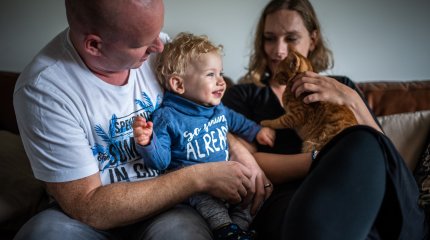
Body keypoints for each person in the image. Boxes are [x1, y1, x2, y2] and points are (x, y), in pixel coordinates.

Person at [12, 1, 272, 239]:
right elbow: (87, 205)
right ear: (94, 45)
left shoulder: (159, 52)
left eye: (158, 33)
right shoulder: (44, 89)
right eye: (142, 43)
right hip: (86, 219)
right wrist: (199, 177)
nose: (159, 46)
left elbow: (199, 111)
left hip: (171, 208)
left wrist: (237, 148)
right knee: (42, 233)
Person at [222, 0, 429, 239]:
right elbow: (249, 162)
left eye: (291, 38)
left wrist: (351, 99)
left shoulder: (342, 87)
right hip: (291, 196)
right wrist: (324, 159)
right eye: (270, 38)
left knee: (363, 141)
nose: (278, 50)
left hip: (356, 188)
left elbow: (383, 156)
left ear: (313, 39)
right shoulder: (245, 94)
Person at [132, 32, 275, 239]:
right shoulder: (167, 117)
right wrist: (148, 143)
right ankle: (226, 230)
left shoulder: (217, 109)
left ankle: (238, 228)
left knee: (255, 195)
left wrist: (257, 131)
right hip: (198, 189)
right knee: (209, 204)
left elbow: (237, 121)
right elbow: (161, 162)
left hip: (228, 180)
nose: (221, 81)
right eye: (211, 75)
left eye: (221, 73)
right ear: (179, 85)